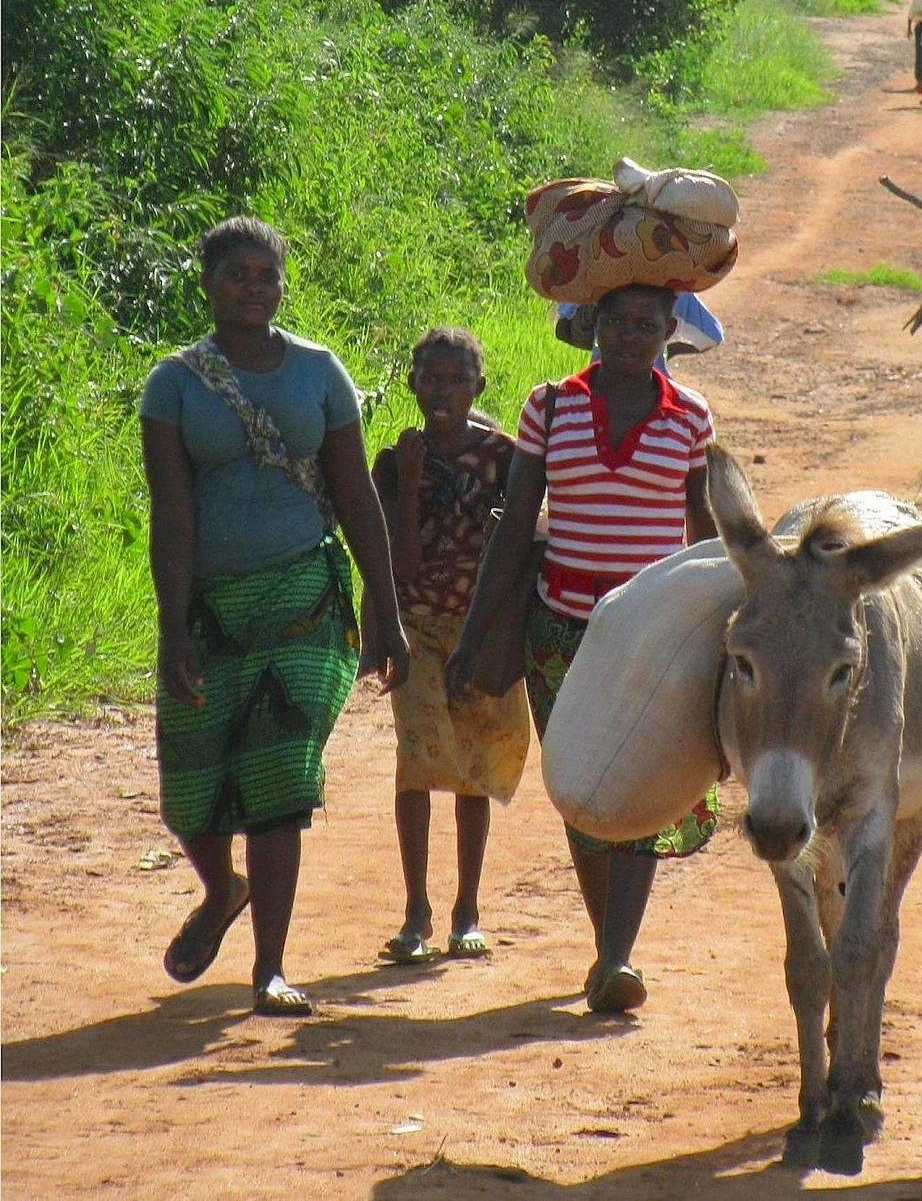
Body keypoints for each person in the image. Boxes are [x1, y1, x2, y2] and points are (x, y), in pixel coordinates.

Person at [139, 215, 410, 1017]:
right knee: (189, 791)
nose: (252, 287)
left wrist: (384, 609)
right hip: (210, 607)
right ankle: (223, 888)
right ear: (207, 283)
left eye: (266, 275)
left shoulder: (319, 372)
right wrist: (169, 631)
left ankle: (271, 968)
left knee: (279, 778)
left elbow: (357, 497)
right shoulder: (175, 384)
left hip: (304, 598)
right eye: (236, 274)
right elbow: (173, 515)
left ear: (282, 287)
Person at [445, 283, 720, 1014]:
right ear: (594, 325)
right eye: (619, 323)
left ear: (670, 333)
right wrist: (473, 635)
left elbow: (704, 534)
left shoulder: (690, 419)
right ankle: (610, 953)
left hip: (653, 634)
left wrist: (724, 623)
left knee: (643, 785)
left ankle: (617, 955)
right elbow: (514, 527)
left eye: (648, 326)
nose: (632, 337)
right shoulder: (552, 406)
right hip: (559, 628)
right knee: (584, 791)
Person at [364, 327, 531, 966]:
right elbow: (398, 565)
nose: (442, 392)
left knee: (473, 768)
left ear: (478, 388)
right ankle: (416, 910)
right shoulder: (394, 462)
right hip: (417, 628)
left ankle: (467, 909)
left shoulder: (504, 458)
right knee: (417, 760)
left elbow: (519, 548)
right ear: (411, 384)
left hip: (479, 632)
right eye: (430, 379)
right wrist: (409, 484)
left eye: (456, 380)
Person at [554, 291, 724, 380]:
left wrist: (606, 336)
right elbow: (712, 336)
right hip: (658, 400)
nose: (628, 337)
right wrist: (667, 348)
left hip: (599, 385)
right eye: (615, 321)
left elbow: (562, 330)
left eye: (647, 326)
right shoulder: (676, 289)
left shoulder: (600, 275)